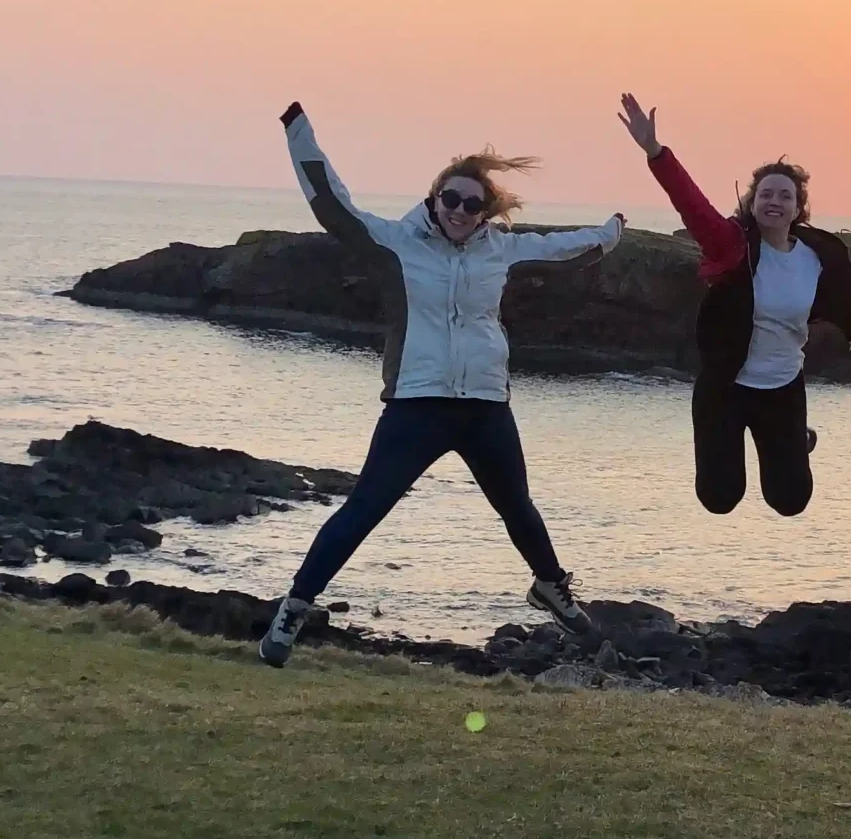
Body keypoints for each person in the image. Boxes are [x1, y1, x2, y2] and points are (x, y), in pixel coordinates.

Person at [256, 99, 623, 665]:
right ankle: (295, 607)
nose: (459, 208)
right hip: (416, 406)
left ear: (484, 211)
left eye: (471, 203)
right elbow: (332, 204)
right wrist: (298, 131)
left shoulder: (501, 250)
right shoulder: (396, 245)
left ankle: (550, 586)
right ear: (434, 199)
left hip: (484, 407)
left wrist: (610, 233)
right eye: (450, 198)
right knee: (363, 509)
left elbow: (564, 249)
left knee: (517, 507)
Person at [618, 92, 851, 516]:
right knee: (719, 499)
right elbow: (690, 203)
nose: (774, 201)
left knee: (790, 501)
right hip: (726, 389)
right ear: (752, 203)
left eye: (784, 196)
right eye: (766, 194)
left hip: (781, 390)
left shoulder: (816, 258)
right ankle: (743, 446)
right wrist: (656, 152)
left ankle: (797, 440)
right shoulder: (731, 245)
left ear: (797, 209)